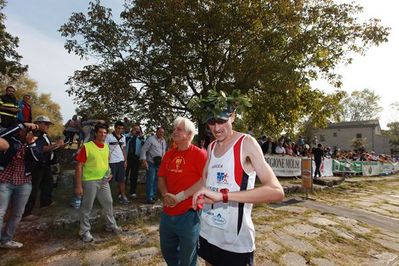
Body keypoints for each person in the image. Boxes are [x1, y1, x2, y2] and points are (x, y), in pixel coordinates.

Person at [192, 106, 284, 266]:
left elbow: (276, 191)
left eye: (221, 120)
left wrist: (224, 196)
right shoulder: (211, 146)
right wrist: (184, 196)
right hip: (209, 231)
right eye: (211, 122)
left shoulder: (246, 143)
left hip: (235, 240)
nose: (216, 128)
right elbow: (204, 182)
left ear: (233, 116)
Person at [158, 117, 207, 265]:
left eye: (179, 129)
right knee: (168, 251)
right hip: (167, 213)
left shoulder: (200, 155)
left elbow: (203, 181)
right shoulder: (168, 154)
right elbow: (161, 178)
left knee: (188, 257)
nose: (174, 132)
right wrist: (165, 195)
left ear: (189, 133)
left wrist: (179, 197)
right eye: (174, 129)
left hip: (189, 214)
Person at [75, 123, 121, 242]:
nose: (103, 134)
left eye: (105, 132)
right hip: (90, 180)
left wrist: (109, 173)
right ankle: (84, 231)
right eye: (100, 132)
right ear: (96, 133)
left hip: (104, 180)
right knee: (87, 207)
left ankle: (110, 225)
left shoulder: (106, 146)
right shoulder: (87, 146)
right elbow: (79, 166)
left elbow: (106, 162)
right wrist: (79, 186)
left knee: (108, 202)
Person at [0, 122, 41, 248]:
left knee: (18, 213)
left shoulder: (33, 145)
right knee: (0, 212)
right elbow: (2, 134)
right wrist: (21, 125)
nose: (28, 133)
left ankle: (7, 240)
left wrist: (31, 143)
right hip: (5, 180)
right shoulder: (10, 140)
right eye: (26, 131)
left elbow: (37, 158)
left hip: (24, 182)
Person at [23, 116, 64, 220]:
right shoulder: (35, 134)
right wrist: (56, 145)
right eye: (45, 124)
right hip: (36, 165)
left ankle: (46, 203)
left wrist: (56, 146)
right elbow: (40, 149)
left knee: (48, 184)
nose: (47, 126)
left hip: (45, 164)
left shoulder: (44, 135)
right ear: (38, 123)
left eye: (48, 124)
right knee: (33, 188)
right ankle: (26, 213)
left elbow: (47, 146)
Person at [140, 127, 167, 204]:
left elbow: (164, 152)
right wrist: (144, 161)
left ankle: (154, 196)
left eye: (162, 132)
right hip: (151, 162)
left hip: (160, 163)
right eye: (160, 132)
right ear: (156, 132)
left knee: (156, 180)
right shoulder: (150, 139)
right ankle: (149, 197)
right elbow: (144, 149)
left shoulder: (163, 141)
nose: (161, 134)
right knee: (151, 180)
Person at [105, 121, 128, 204]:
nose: (120, 130)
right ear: (115, 128)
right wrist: (106, 161)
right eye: (118, 128)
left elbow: (124, 149)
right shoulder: (108, 137)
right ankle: (106, 198)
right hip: (111, 162)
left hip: (121, 161)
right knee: (109, 180)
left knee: (122, 180)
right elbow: (105, 149)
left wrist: (125, 160)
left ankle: (123, 196)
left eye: (122, 128)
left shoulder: (123, 137)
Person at [125, 125, 143, 198]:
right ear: (132, 129)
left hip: (136, 158)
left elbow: (144, 146)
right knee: (124, 175)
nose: (136, 131)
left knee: (134, 175)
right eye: (135, 129)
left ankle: (132, 192)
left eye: (138, 129)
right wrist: (131, 134)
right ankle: (122, 192)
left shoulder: (141, 138)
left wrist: (141, 136)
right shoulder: (126, 136)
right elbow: (124, 141)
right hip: (126, 157)